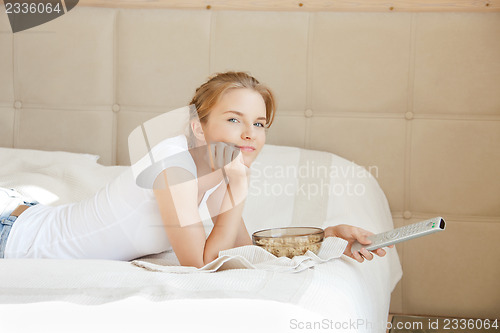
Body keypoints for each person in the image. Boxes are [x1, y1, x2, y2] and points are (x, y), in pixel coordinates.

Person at [0, 71, 390, 267]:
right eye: (234, 119)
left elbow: (239, 253)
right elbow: (200, 263)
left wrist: (328, 239)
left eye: (258, 124)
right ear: (198, 127)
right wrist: (237, 191)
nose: (250, 134)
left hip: (26, 213)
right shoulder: (173, 168)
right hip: (12, 235)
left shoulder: (223, 168)